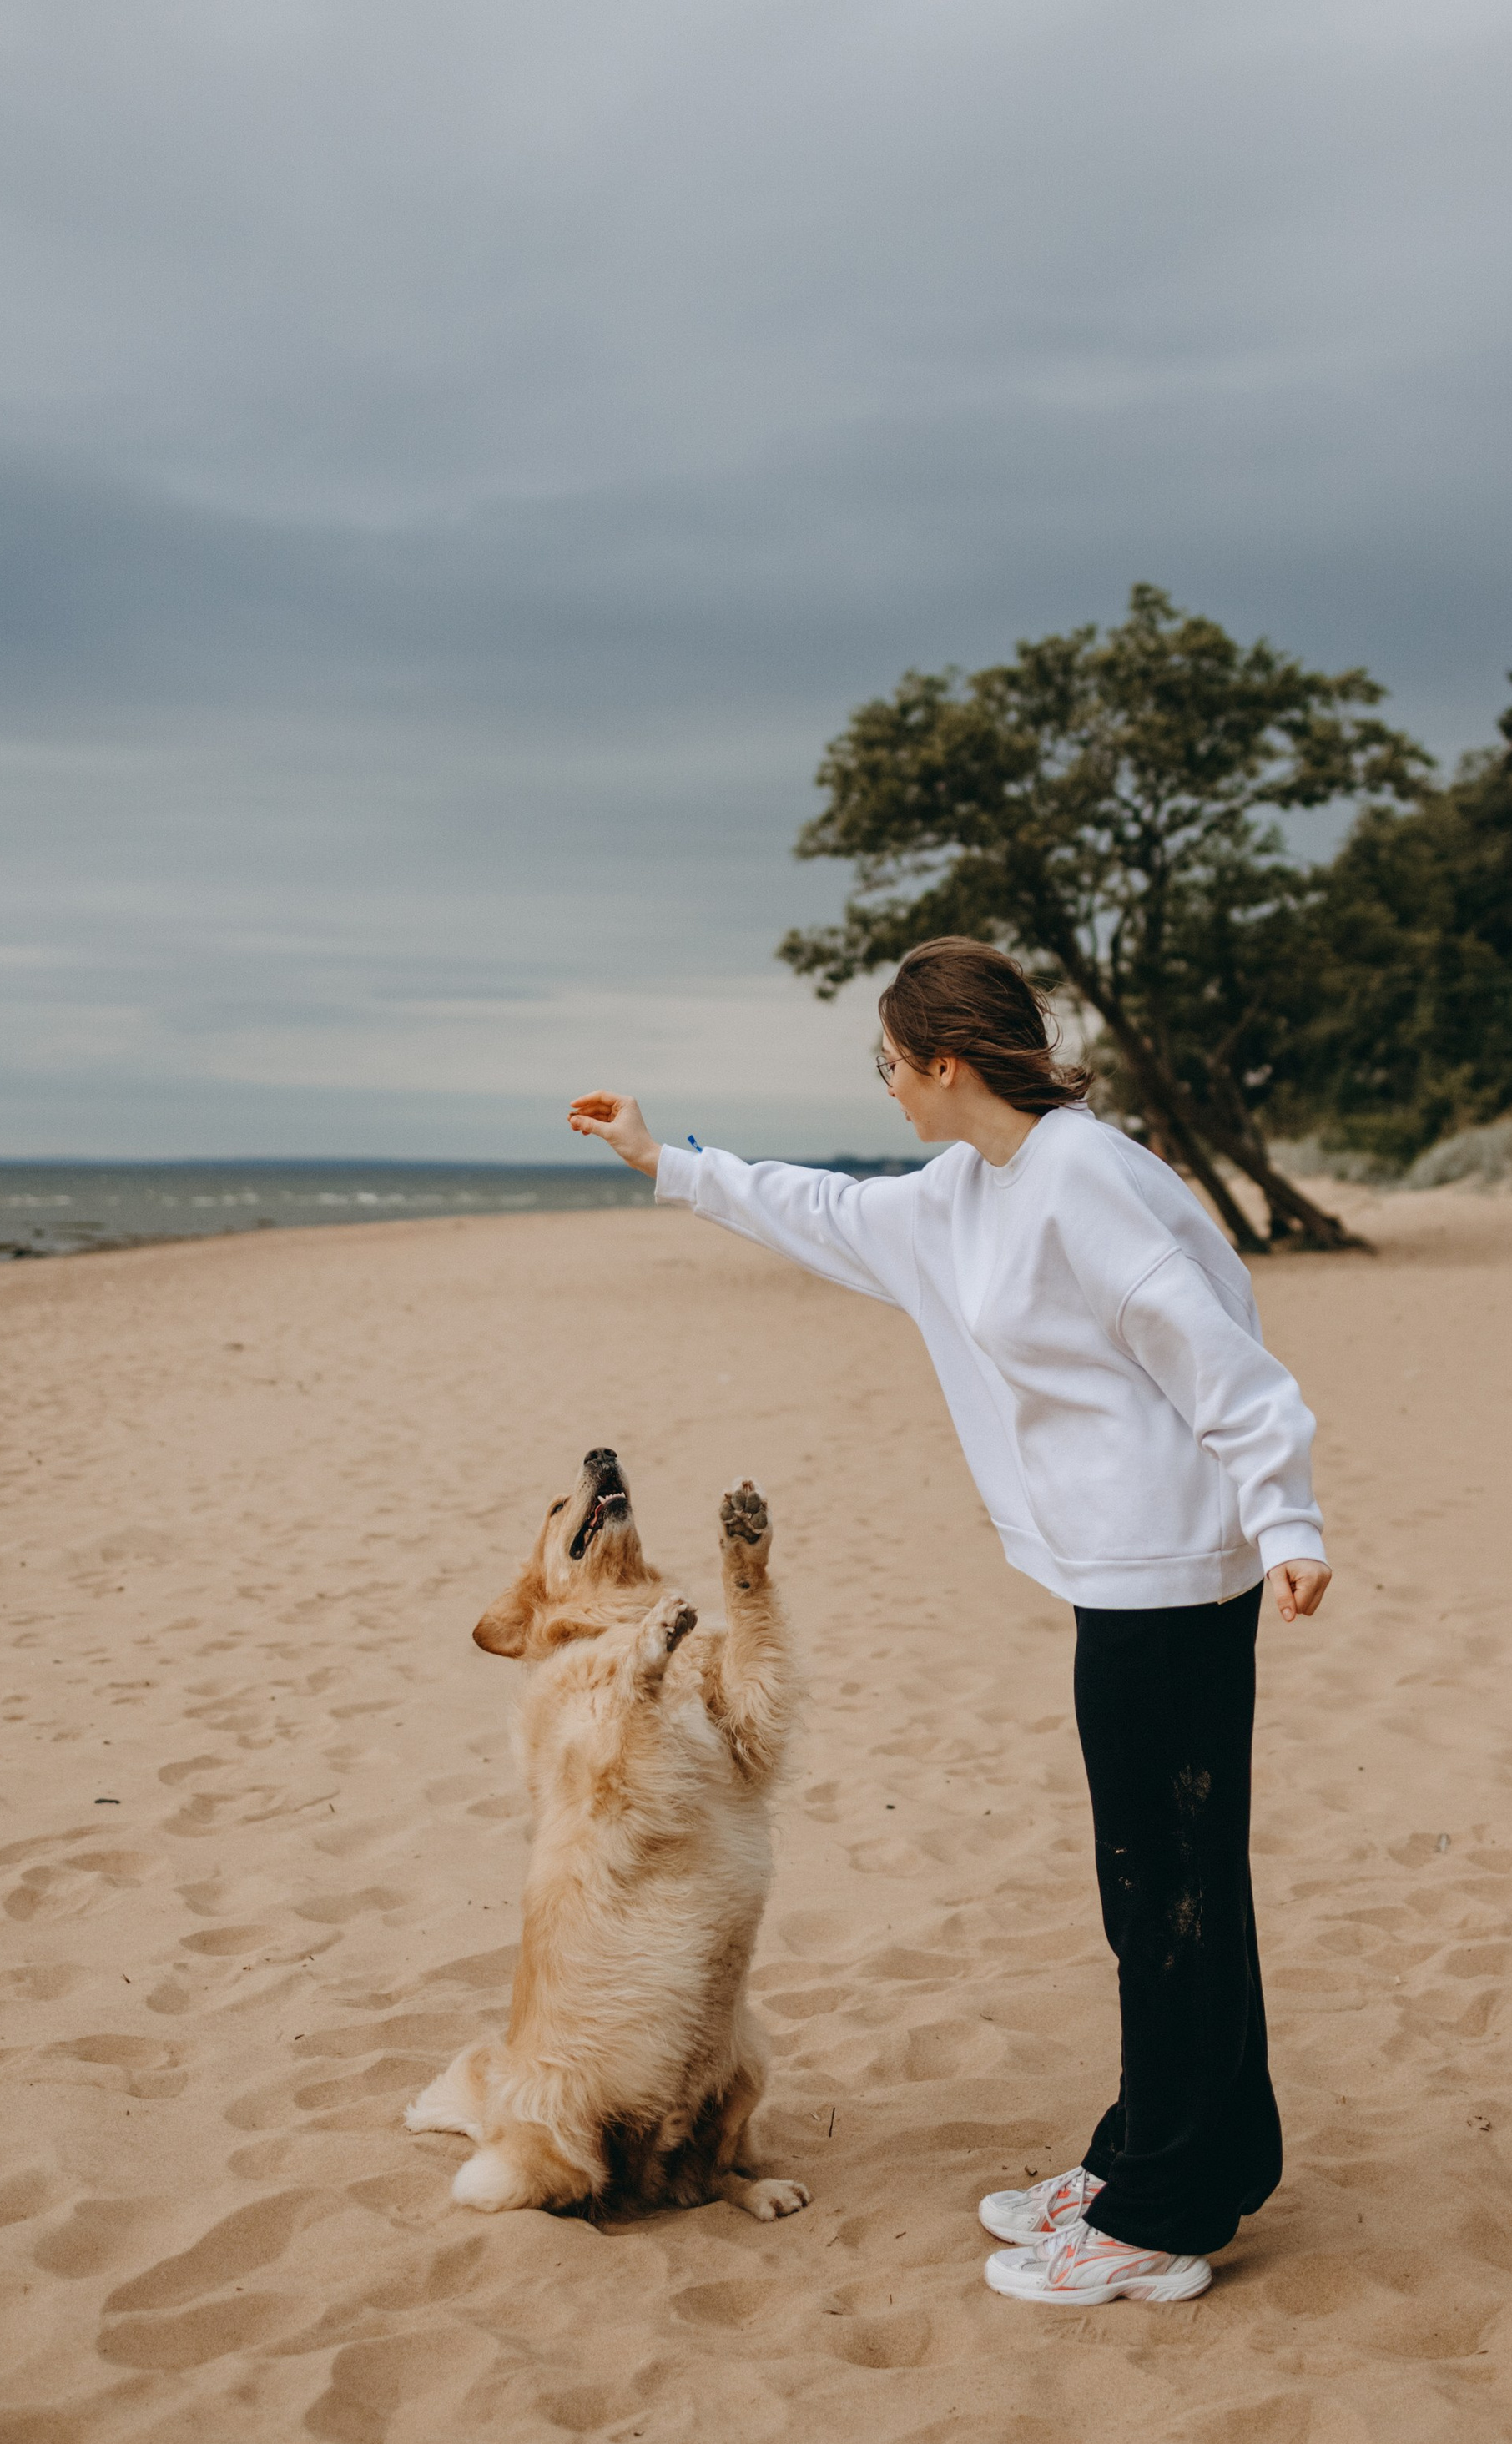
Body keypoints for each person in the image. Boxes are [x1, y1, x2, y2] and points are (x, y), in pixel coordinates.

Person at [568, 935, 1330, 2310]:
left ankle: (1164, 2215)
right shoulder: (975, 1187)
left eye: (890, 1066)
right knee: (1155, 1890)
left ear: (947, 1060)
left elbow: (1219, 1348)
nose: (887, 1092)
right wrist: (664, 1161)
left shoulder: (1081, 1180)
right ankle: (1174, 2154)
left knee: (1171, 1895)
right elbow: (828, 1213)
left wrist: (1286, 1518)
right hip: (1125, 1581)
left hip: (1173, 1582)